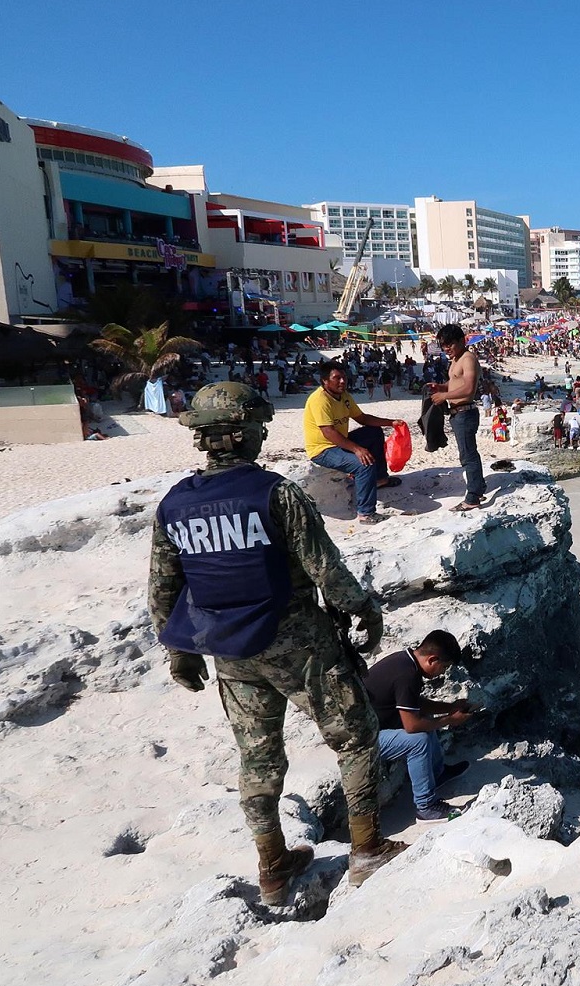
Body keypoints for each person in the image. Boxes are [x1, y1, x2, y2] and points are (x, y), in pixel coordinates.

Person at [148, 382, 405, 905]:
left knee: (258, 759)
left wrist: (179, 651)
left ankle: (273, 867)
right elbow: (325, 568)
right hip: (301, 646)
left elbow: (164, 588)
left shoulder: (175, 504)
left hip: (230, 652)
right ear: (245, 434)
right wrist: (364, 610)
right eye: (261, 427)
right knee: (355, 737)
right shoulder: (276, 493)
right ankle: (366, 849)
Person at [364, 630, 473, 823]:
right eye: (444, 667)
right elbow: (412, 726)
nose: (443, 672)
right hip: (363, 739)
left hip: (373, 724)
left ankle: (437, 774)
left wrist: (450, 708)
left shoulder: (404, 661)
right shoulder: (407, 675)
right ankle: (426, 807)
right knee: (418, 740)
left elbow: (415, 704)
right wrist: (450, 720)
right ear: (433, 659)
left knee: (425, 719)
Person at [304, 361, 404, 525]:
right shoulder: (319, 400)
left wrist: (390, 422)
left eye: (343, 377)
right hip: (323, 449)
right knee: (364, 463)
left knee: (374, 432)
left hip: (339, 441)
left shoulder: (344, 396)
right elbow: (328, 432)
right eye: (337, 378)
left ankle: (379, 480)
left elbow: (362, 418)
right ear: (325, 381)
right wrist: (357, 449)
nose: (343, 381)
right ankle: (366, 513)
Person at [426, 325, 487, 512]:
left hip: (465, 412)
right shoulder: (456, 360)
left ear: (462, 341)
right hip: (458, 413)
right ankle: (479, 487)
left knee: (468, 455)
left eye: (450, 344)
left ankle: (473, 497)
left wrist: (444, 397)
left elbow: (469, 389)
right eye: (444, 345)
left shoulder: (468, 358)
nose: (446, 348)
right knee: (468, 453)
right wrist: (441, 387)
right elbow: (455, 383)